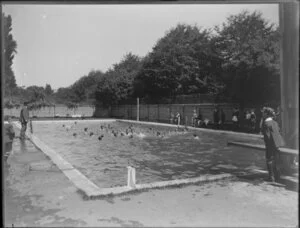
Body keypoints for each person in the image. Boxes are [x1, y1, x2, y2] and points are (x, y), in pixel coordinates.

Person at [261, 107, 285, 182]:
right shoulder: (275, 122)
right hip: (278, 144)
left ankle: (271, 177)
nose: (262, 113)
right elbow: (278, 132)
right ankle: (277, 176)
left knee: (269, 159)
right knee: (276, 159)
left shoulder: (266, 123)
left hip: (270, 144)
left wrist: (267, 144)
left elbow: (267, 136)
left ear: (267, 114)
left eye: (264, 112)